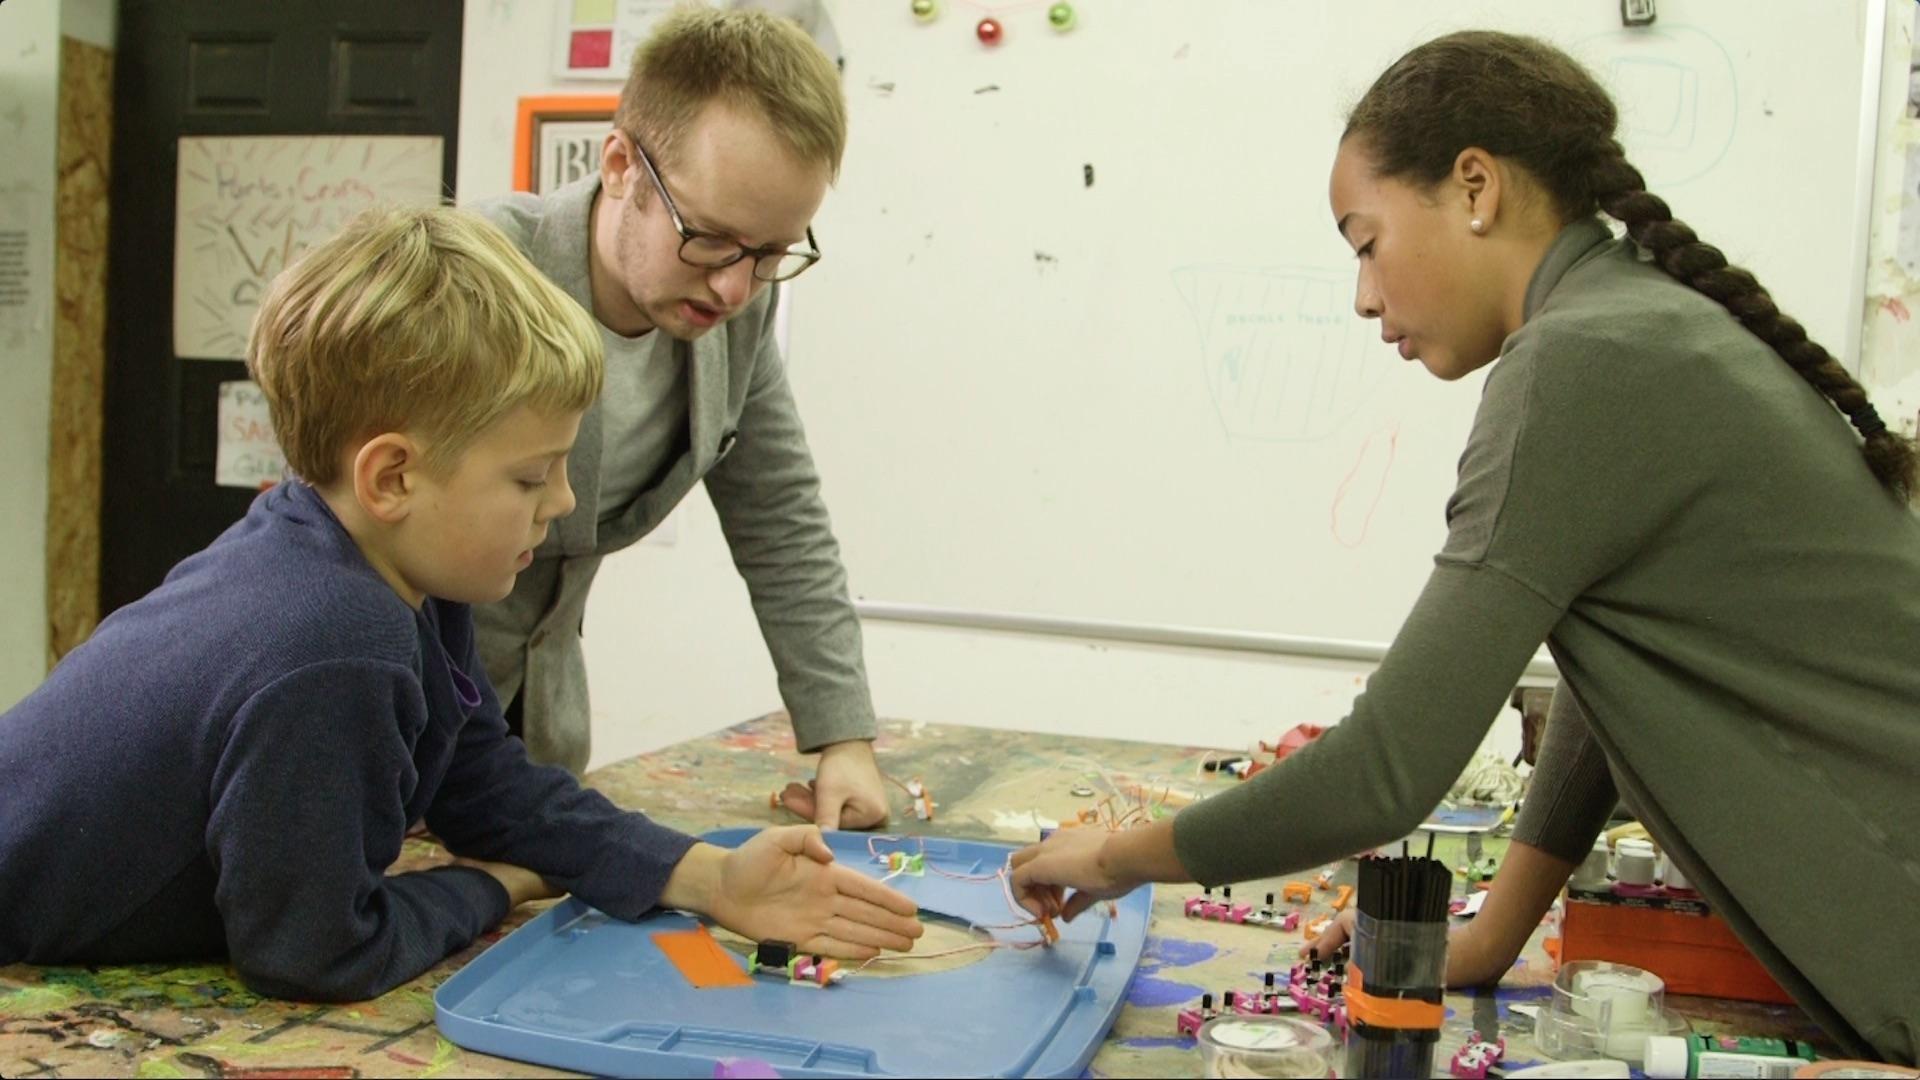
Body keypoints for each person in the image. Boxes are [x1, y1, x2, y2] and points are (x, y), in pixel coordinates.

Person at [1008, 31, 1920, 1065]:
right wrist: (1493, 933)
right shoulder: (1638, 323)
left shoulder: (1576, 364)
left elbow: (1385, 774)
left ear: (1475, 187)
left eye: (1365, 241)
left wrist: (1121, 856)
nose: (1362, 294)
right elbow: (1613, 676)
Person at [0, 207, 920, 1001]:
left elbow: (479, 779)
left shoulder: (382, 564)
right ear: (394, 474)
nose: (562, 504)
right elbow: (315, 951)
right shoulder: (335, 639)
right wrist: (490, 886)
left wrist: (710, 877)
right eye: (531, 476)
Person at [467, 7, 887, 830]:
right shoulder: (477, 275)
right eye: (715, 240)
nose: (736, 287)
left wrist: (844, 740)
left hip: (533, 733)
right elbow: (358, 534)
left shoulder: (733, 317)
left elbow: (782, 522)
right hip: (389, 718)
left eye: (773, 255)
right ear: (621, 163)